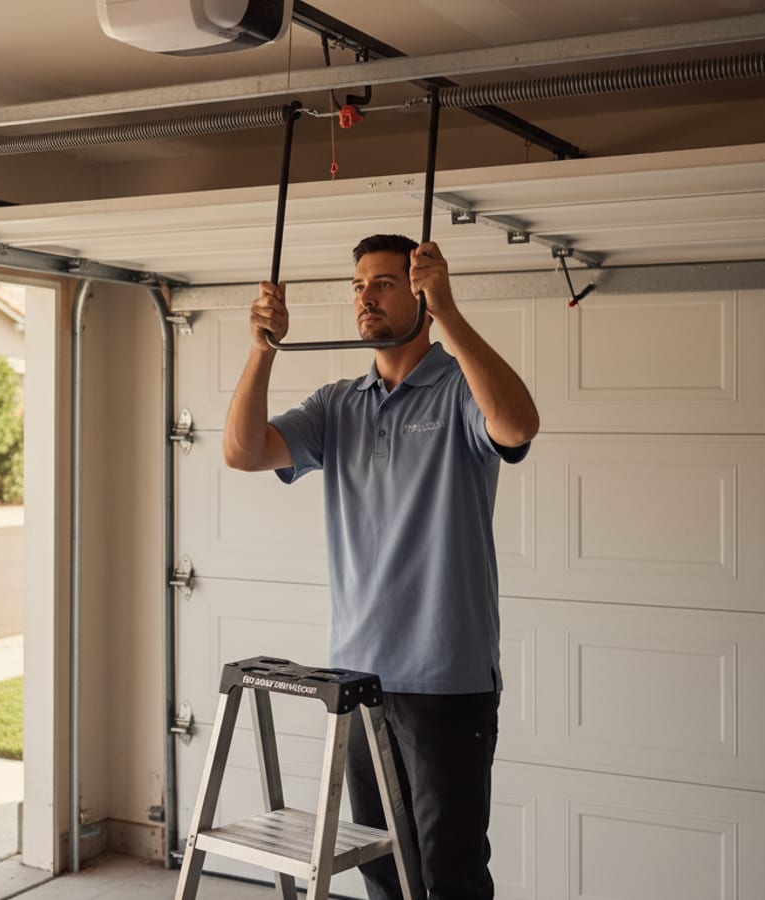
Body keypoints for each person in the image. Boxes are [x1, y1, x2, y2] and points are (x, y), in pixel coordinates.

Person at [222, 234, 539, 900]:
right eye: (359, 284)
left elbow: (517, 426)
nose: (367, 296)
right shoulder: (338, 405)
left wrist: (448, 312)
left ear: (419, 292)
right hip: (359, 678)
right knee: (382, 868)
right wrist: (261, 347)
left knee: (449, 870)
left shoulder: (457, 390)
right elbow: (243, 451)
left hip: (446, 680)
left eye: (386, 283)